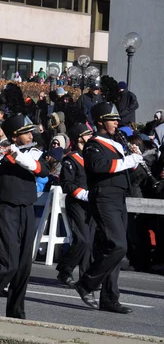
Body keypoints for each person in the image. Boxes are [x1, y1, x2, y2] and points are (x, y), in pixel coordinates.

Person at [0, 114, 48, 318]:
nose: (31, 136)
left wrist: (17, 155)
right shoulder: (1, 153)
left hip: (27, 209)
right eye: (26, 133)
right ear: (14, 137)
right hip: (6, 210)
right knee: (8, 263)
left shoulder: (33, 152)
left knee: (24, 266)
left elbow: (42, 170)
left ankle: (16, 311)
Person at [73, 102, 141, 314]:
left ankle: (110, 298)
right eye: (112, 119)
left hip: (119, 199)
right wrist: (128, 161)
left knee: (115, 250)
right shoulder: (94, 144)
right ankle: (86, 283)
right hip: (104, 199)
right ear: (101, 122)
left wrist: (136, 160)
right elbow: (99, 166)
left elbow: (125, 173)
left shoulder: (118, 144)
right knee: (117, 244)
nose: (116, 122)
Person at [56, 123, 95, 287]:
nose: (91, 137)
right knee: (82, 240)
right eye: (88, 134)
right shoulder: (70, 159)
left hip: (92, 203)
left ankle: (86, 277)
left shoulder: (92, 156)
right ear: (80, 138)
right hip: (77, 203)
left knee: (90, 242)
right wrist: (84, 194)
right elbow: (67, 184)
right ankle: (65, 268)